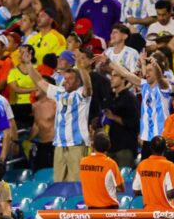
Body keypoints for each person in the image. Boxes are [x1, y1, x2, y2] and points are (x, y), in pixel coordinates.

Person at [22, 49, 92, 182]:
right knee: (59, 183)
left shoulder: (82, 95)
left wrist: (81, 67)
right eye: (65, 79)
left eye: (69, 79)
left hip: (77, 144)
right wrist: (28, 64)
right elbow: (40, 82)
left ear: (78, 82)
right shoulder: (59, 92)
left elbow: (88, 86)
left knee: (76, 183)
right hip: (59, 145)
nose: (65, 82)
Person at [79, 131, 125, 209]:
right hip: (109, 209)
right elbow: (121, 187)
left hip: (91, 210)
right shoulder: (110, 163)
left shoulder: (83, 162)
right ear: (109, 146)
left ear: (92, 145)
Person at [133, 136, 174, 209]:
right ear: (165, 149)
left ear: (151, 148)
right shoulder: (169, 165)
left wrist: (150, 192)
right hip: (166, 211)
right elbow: (171, 194)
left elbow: (136, 191)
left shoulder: (142, 165)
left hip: (148, 211)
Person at [105, 70, 139, 167]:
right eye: (111, 76)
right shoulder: (110, 98)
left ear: (124, 79)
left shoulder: (130, 98)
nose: (111, 78)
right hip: (110, 148)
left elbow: (134, 123)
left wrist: (114, 117)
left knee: (125, 180)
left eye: (115, 76)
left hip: (125, 149)